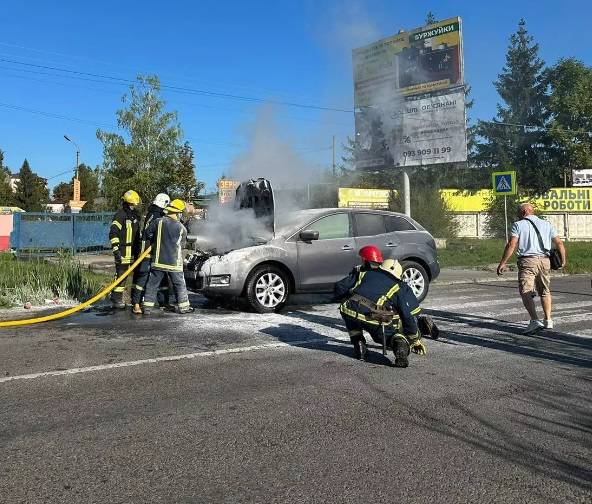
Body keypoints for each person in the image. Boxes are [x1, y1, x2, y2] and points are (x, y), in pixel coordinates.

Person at [334, 245, 427, 368]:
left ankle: (359, 344)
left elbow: (339, 287)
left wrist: (349, 294)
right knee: (390, 334)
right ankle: (398, 345)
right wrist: (414, 339)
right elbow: (407, 315)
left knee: (352, 318)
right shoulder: (397, 286)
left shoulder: (363, 274)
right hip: (373, 316)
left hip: (349, 309)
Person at [497, 202, 566, 334]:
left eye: (519, 213)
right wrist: (563, 260)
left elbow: (512, 244)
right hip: (545, 261)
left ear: (523, 212)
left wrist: (503, 262)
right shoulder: (547, 224)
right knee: (545, 290)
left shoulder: (518, 225)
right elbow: (559, 243)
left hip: (528, 261)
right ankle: (548, 320)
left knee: (526, 291)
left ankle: (534, 320)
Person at [142, 199, 192, 315]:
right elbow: (182, 245)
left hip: (158, 261)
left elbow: (147, 233)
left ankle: (147, 308)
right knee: (179, 285)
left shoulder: (158, 222)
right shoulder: (182, 229)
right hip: (174, 263)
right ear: (178, 213)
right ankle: (184, 308)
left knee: (152, 284)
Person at [130, 193, 171, 315]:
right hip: (148, 253)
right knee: (143, 277)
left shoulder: (155, 213)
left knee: (162, 277)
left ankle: (164, 302)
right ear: (164, 204)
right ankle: (136, 303)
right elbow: (149, 233)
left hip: (157, 252)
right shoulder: (156, 216)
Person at [109, 190, 141, 309]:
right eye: (132, 204)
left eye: (134, 204)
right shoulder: (120, 215)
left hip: (134, 251)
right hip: (122, 251)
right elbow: (113, 233)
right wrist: (116, 250)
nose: (134, 206)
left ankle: (135, 299)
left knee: (135, 277)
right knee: (121, 276)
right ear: (127, 203)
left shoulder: (134, 216)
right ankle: (116, 299)